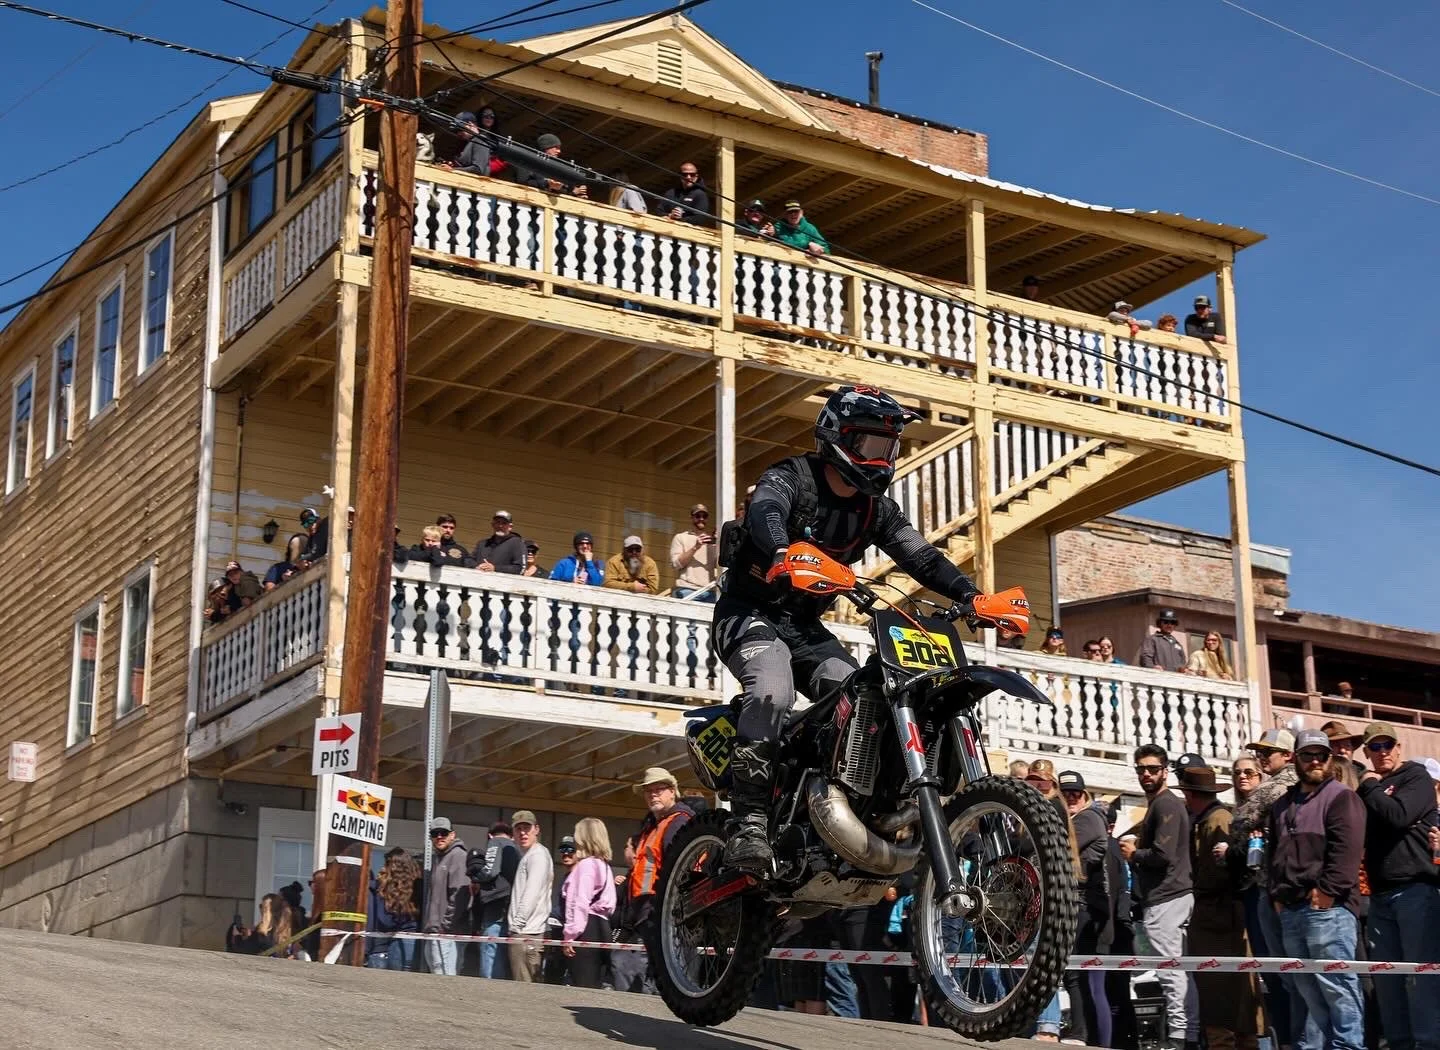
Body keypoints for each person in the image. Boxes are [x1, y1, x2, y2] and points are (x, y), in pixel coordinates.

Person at [714, 386, 984, 872]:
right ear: (837, 437)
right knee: (773, 690)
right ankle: (748, 822)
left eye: (890, 448)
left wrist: (970, 594)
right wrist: (780, 552)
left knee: (860, 699)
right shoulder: (791, 477)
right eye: (872, 446)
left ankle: (835, 806)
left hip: (804, 627)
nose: (882, 458)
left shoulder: (874, 508)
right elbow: (765, 510)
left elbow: (919, 553)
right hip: (748, 613)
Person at [1267, 729, 1366, 1050]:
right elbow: (1272, 854)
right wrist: (1277, 896)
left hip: (1330, 909)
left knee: (1338, 986)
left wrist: (1326, 892)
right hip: (1291, 909)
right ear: (1295, 758)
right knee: (1308, 989)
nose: (1315, 761)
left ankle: (1349, 1046)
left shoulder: (1341, 796)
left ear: (1329, 759)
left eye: (1321, 755)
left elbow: (1347, 852)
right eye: (1307, 755)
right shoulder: (1282, 804)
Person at [1355, 722, 1440, 1050]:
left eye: (1387, 745)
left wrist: (1370, 787)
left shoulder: (1415, 776)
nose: (1382, 752)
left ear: (1398, 747)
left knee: (1422, 978)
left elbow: (1399, 815)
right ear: (1367, 752)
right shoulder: (1370, 787)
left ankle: (1429, 1045)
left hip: (1417, 889)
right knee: (1387, 980)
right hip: (1380, 895)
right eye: (1374, 747)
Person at [1120, 743, 1194, 1050]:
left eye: (1153, 769)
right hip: (1165, 896)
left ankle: (1179, 1036)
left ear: (1165, 771)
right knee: (1172, 968)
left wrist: (1133, 853)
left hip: (1168, 895)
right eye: (1141, 769)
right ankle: (1182, 1033)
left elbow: (1162, 855)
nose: (1146, 774)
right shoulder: (1160, 804)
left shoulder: (1165, 804)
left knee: (1170, 968)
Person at [1181, 764, 1260, 1050]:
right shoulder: (1209, 819)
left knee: (1224, 994)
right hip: (1214, 914)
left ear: (1190, 794)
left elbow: (1222, 872)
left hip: (1221, 916)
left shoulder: (1218, 821)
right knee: (1221, 993)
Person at [1061, 770, 1112, 1048]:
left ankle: (1082, 1034)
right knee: (1077, 974)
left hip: (1085, 906)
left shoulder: (1087, 818)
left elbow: (1060, 853)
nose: (1070, 798)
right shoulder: (1075, 819)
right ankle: (1084, 1034)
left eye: (1075, 793)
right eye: (1065, 793)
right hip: (1081, 904)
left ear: (1084, 795)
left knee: (1078, 973)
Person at [561, 817, 617, 989]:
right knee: (596, 986)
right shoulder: (604, 866)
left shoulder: (585, 866)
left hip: (586, 928)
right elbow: (611, 903)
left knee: (583, 986)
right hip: (603, 926)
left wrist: (570, 935)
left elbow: (579, 902)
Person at [468, 820, 519, 979]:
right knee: (502, 954)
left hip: (495, 904)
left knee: (490, 950)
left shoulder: (495, 842)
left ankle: (488, 990)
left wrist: (476, 877)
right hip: (511, 906)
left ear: (489, 834)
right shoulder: (517, 848)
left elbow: (490, 870)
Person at [507, 810, 554, 983]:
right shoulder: (530, 855)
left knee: (525, 991)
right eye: (518, 829)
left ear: (537, 829)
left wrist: (516, 926)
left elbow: (531, 894)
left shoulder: (537, 856)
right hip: (527, 933)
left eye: (527, 828)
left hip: (527, 933)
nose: (522, 833)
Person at [423, 817, 469, 976]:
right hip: (436, 931)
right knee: (437, 976)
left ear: (452, 835)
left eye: (444, 833)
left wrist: (446, 925)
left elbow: (460, 894)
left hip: (447, 933)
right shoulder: (439, 858)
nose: (439, 836)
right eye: (435, 833)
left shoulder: (458, 855)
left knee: (445, 979)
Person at [367, 847, 421, 971]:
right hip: (409, 943)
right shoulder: (415, 888)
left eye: (386, 865)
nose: (382, 868)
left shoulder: (385, 891)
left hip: (383, 946)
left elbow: (385, 920)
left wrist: (375, 887)